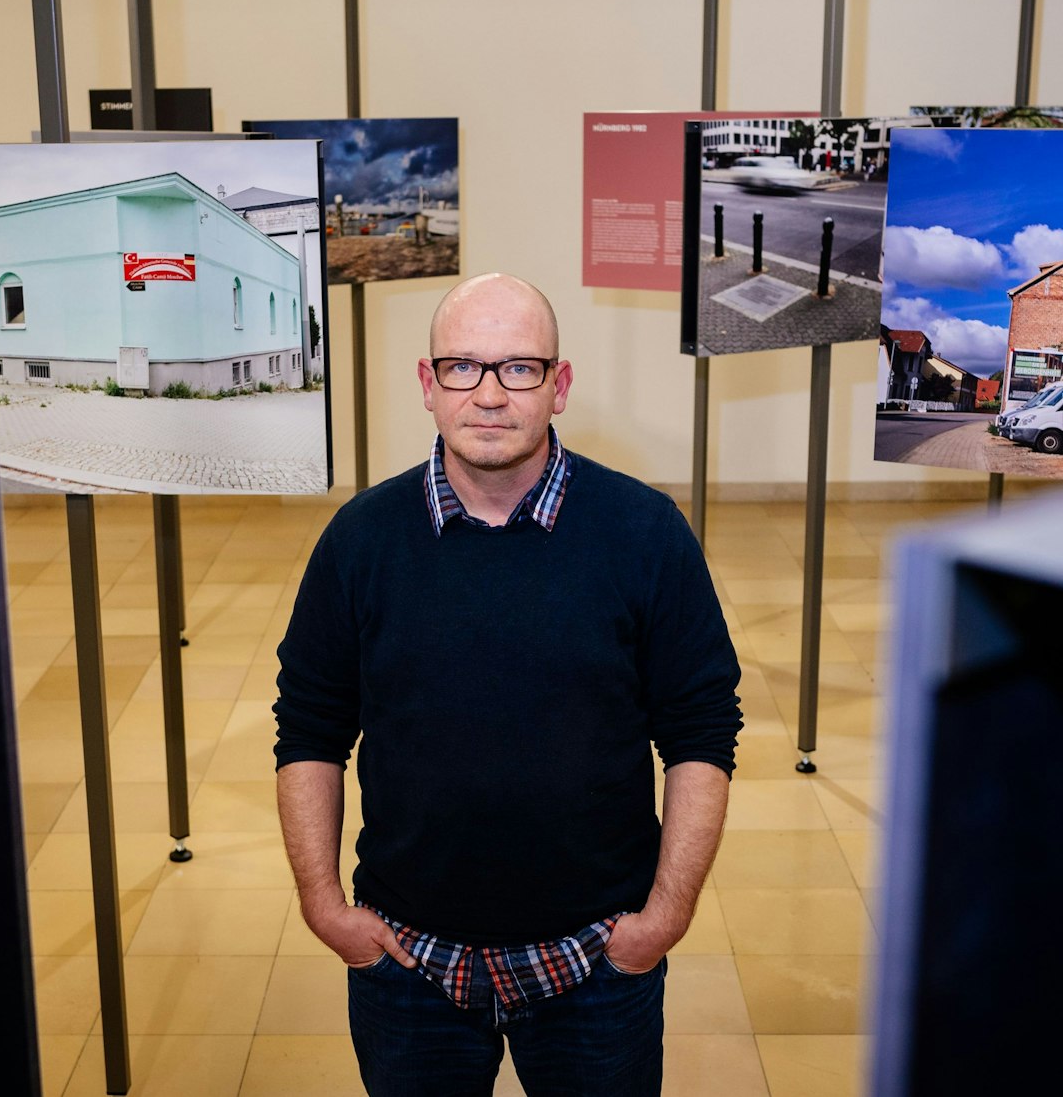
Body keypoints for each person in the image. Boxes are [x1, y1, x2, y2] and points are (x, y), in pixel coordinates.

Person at [273, 273, 744, 1096]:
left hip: (596, 964)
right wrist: (322, 904)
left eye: (520, 368)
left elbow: (701, 728)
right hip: (407, 960)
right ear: (427, 384)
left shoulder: (644, 533)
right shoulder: (361, 540)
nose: (489, 395)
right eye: (462, 367)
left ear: (559, 386)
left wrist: (665, 914)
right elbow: (311, 727)